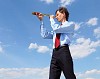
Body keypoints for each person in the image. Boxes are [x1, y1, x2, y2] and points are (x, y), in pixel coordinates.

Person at [36, 7, 76, 79]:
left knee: (70, 76)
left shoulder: (70, 25)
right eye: (55, 15)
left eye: (57, 15)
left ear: (63, 14)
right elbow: (44, 35)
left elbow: (57, 29)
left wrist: (51, 19)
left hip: (64, 52)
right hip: (54, 54)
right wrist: (41, 21)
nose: (56, 17)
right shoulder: (56, 29)